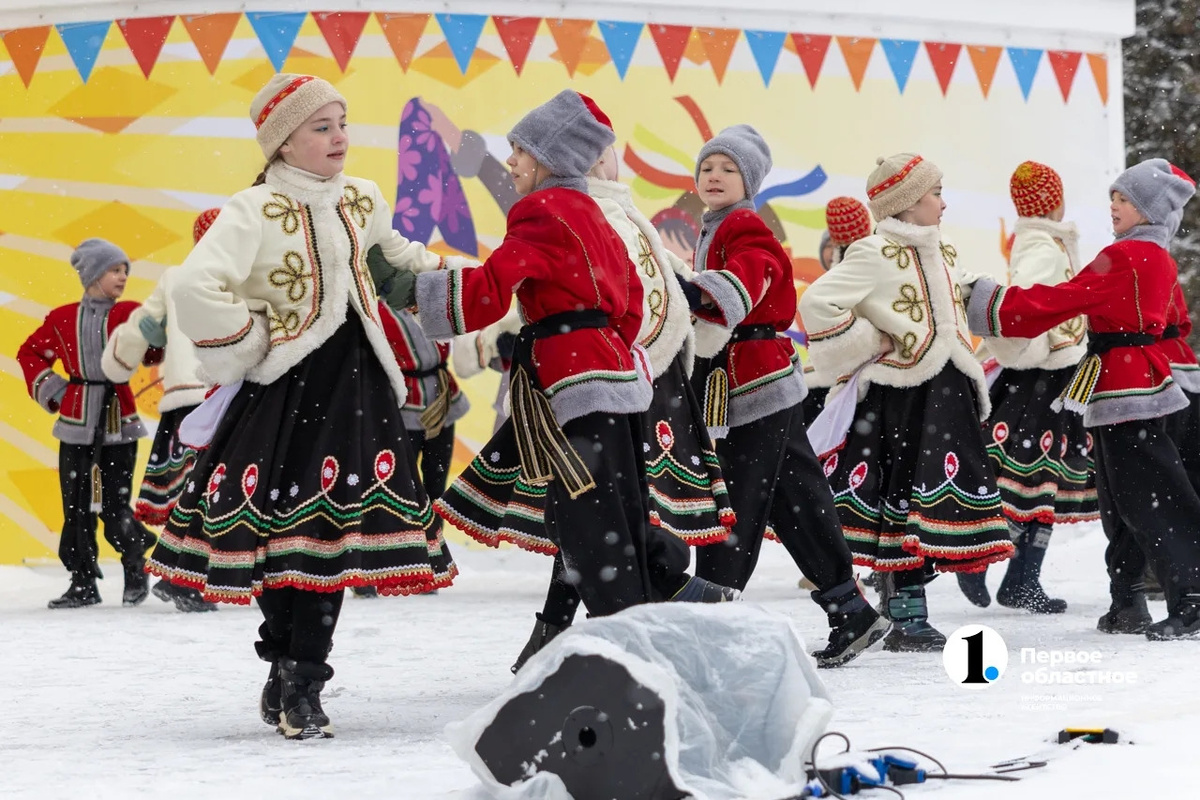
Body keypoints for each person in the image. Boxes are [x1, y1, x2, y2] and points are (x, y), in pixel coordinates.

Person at [145, 74, 460, 739]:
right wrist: (247, 342)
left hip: (359, 389)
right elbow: (196, 284)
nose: (339, 137)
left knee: (331, 538)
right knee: (279, 537)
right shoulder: (252, 209)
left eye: (342, 122)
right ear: (283, 143)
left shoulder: (362, 198)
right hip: (286, 389)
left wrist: (477, 280)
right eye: (321, 127)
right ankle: (283, 660)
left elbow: (400, 263)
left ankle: (305, 678)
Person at [380, 89, 738, 624]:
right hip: (615, 374)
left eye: (520, 151)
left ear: (550, 159)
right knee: (614, 500)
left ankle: (629, 626)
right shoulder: (593, 212)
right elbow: (632, 302)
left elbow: (491, 289)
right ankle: (655, 584)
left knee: (584, 516)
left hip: (571, 379)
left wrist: (412, 291)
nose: (510, 161)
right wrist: (607, 343)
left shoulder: (541, 212)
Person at [678, 126, 891, 667]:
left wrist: (690, 291)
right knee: (796, 499)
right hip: (761, 378)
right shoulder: (716, 225)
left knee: (736, 501)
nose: (714, 176)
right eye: (707, 167)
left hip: (749, 383)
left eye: (728, 169)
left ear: (748, 181)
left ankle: (713, 621)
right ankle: (850, 608)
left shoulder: (745, 225)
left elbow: (748, 278)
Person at [963, 158, 1200, 640]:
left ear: (1149, 211)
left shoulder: (1132, 256)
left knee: (1150, 498)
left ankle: (1189, 598)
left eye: (1125, 199)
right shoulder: (1150, 254)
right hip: (1125, 382)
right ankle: (1127, 599)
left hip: (1127, 388)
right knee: (1127, 497)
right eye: (1114, 196)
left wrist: (985, 300)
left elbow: (1059, 299)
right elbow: (1172, 322)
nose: (1113, 205)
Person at [800, 154, 1014, 652]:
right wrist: (873, 340)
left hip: (947, 393)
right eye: (935, 192)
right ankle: (906, 615)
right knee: (899, 501)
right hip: (900, 397)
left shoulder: (940, 251)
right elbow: (817, 303)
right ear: (907, 203)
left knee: (929, 503)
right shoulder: (874, 252)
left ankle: (911, 606)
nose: (944, 202)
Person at [956, 162, 1097, 613]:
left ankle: (1022, 579)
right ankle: (974, 558)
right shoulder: (1039, 243)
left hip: (1059, 376)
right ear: (1053, 201)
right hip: (1039, 379)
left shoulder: (1049, 240)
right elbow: (1025, 303)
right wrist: (1039, 345)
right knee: (1019, 477)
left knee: (1044, 482)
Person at [18, 239, 157, 609]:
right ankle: (82, 582)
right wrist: (58, 391)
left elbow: (154, 351)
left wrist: (157, 334)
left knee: (115, 504)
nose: (123, 277)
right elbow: (29, 352)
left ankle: (134, 564)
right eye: (115, 270)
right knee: (76, 505)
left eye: (125, 270)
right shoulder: (62, 318)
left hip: (117, 419)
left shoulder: (131, 311)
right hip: (75, 421)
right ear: (93, 275)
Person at [102, 209, 224, 613]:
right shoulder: (238, 276)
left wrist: (132, 350)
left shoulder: (176, 277)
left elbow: (143, 328)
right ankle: (185, 578)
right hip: (218, 396)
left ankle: (180, 575)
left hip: (188, 399)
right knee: (211, 492)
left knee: (191, 491)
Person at [803, 196, 874, 423]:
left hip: (857, 374)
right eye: (829, 246)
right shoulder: (824, 286)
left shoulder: (864, 269)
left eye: (835, 246)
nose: (833, 250)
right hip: (834, 375)